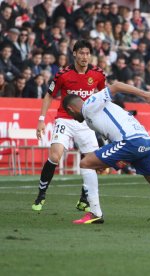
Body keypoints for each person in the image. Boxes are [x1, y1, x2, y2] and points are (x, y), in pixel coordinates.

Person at [62, 81, 150, 224]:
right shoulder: (91, 119)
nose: (73, 118)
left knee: (85, 163)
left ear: (70, 109)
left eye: (70, 115)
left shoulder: (89, 105)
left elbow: (117, 86)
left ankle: (94, 213)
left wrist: (144, 95)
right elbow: (112, 138)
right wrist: (106, 162)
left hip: (130, 142)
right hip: (143, 141)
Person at [32, 40, 106, 213]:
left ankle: (83, 199)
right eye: (81, 53)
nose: (84, 57)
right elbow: (49, 96)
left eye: (87, 53)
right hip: (65, 120)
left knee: (91, 162)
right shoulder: (63, 74)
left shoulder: (98, 74)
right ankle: (41, 195)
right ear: (74, 54)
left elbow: (104, 96)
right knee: (55, 156)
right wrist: (41, 119)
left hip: (86, 122)